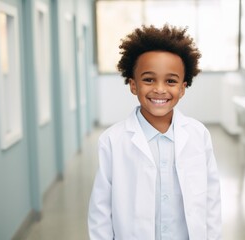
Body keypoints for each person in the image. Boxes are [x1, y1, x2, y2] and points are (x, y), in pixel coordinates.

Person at [88, 24, 221, 240]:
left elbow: (211, 200)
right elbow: (100, 210)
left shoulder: (199, 135)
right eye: (149, 79)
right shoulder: (112, 141)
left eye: (170, 81)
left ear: (182, 88)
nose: (159, 89)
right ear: (133, 85)